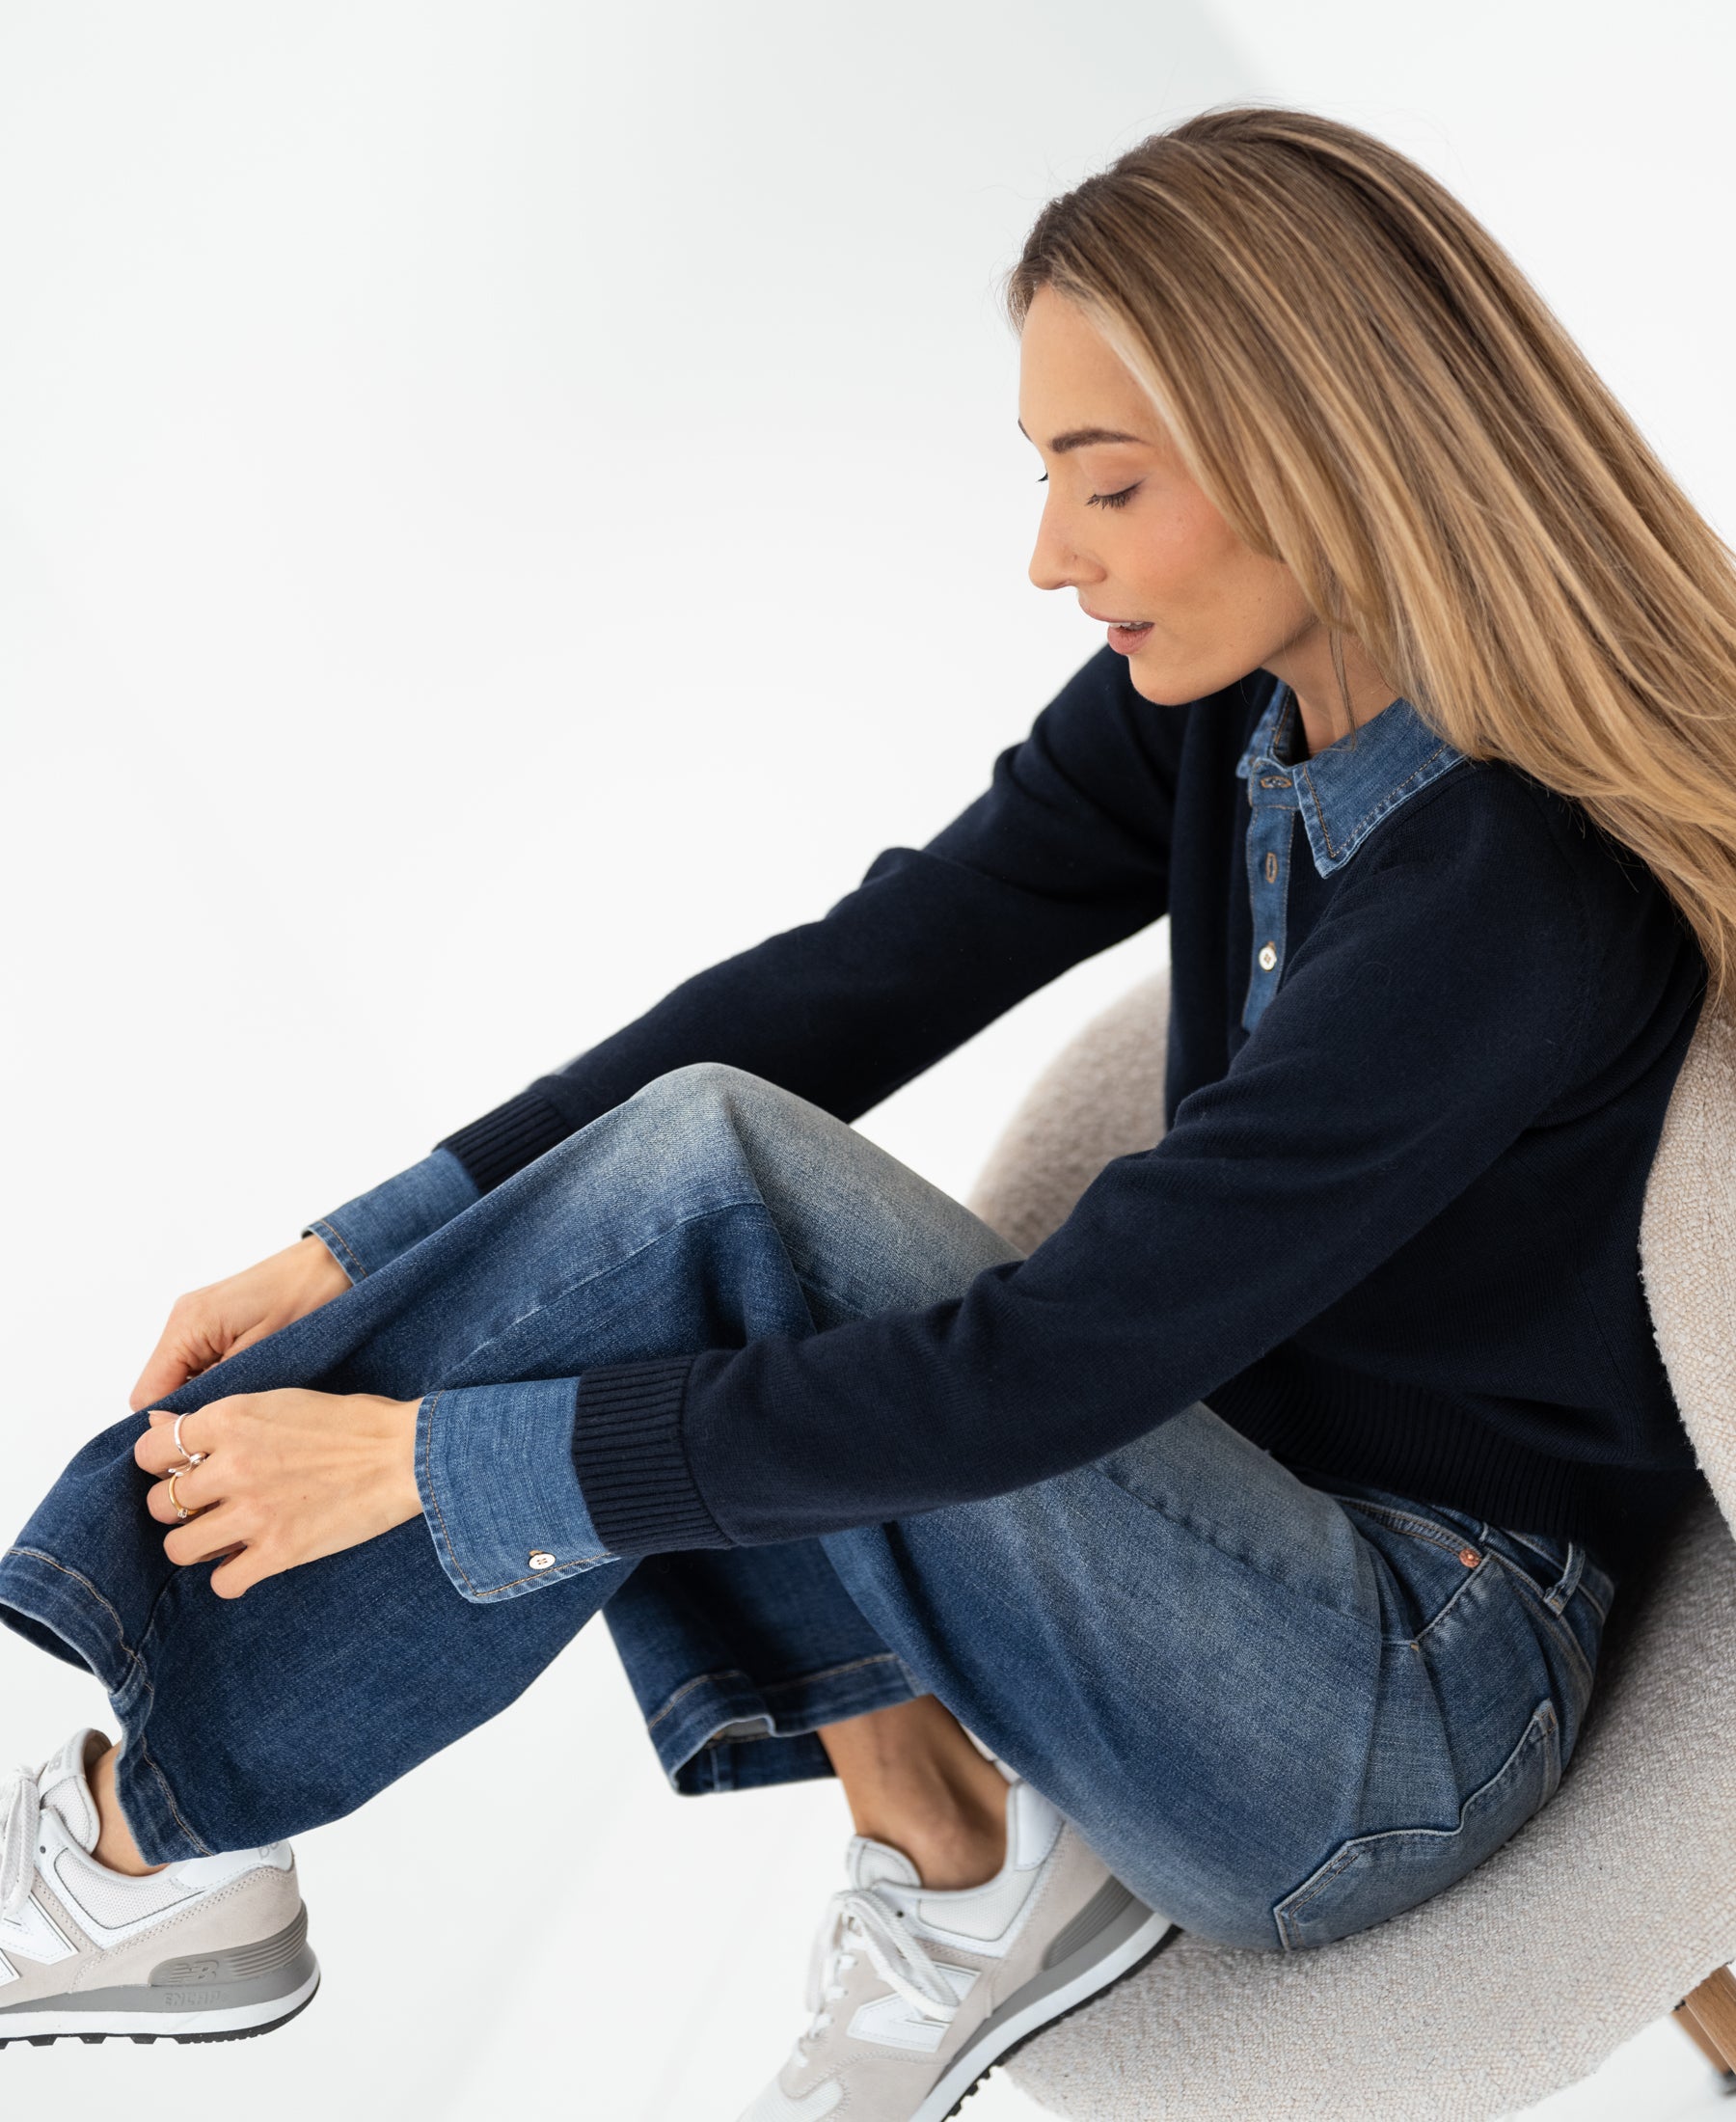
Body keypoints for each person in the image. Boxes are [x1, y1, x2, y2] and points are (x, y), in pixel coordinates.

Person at [0, 104, 1726, 2121]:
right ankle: (951, 1856)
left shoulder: (1505, 894)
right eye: (1044, 477)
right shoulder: (1237, 713)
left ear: (1321, 453)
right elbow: (859, 974)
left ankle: (147, 1838)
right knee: (687, 1191)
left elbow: (1040, 1374)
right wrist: (359, 1244)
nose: (1051, 553)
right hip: (1227, 1548)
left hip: (1394, 1716)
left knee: (709, 1206)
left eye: (1109, 482)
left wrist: (433, 1462)